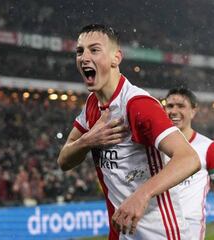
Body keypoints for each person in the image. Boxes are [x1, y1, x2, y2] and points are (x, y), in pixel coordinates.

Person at [57, 24, 201, 239]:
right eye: (80, 51)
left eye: (94, 50)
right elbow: (64, 161)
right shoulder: (91, 106)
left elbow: (189, 159)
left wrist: (140, 196)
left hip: (160, 232)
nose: (84, 57)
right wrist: (86, 141)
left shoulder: (137, 104)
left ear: (116, 58)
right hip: (122, 232)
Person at [164, 87, 214, 240]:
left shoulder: (209, 148)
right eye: (170, 106)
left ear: (193, 111)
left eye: (181, 106)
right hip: (157, 228)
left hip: (190, 230)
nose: (174, 111)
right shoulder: (153, 146)